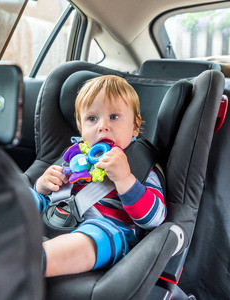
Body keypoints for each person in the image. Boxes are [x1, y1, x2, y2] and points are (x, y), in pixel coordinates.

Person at [31, 75, 166, 277]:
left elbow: (155, 218)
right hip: (57, 218)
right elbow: (48, 196)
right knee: (25, 195)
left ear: (135, 126)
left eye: (114, 117)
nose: (102, 126)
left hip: (108, 233)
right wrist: (42, 186)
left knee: (97, 234)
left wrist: (125, 179)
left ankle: (33, 261)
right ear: (81, 127)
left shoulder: (140, 166)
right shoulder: (73, 157)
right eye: (92, 119)